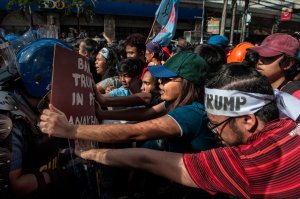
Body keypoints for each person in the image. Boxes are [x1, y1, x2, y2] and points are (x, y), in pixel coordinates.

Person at [76, 63, 300, 199]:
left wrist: (87, 151)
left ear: (248, 120)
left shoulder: (245, 164)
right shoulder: (290, 123)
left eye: (216, 124)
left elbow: (145, 157)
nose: (214, 132)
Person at [40, 51, 220, 198]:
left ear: (188, 83)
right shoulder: (174, 103)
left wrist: (71, 130)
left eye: (167, 79)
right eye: (160, 78)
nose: (160, 83)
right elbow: (146, 113)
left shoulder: (191, 113)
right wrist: (103, 112)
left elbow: (135, 132)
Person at [0, 39, 82, 199]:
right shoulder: (8, 117)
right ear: (42, 82)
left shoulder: (37, 104)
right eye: (65, 84)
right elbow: (17, 185)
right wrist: (63, 173)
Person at [250, 33, 300, 99]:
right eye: (258, 56)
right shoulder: (252, 87)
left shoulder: (295, 97)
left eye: (268, 57)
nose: (259, 61)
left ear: (287, 64)